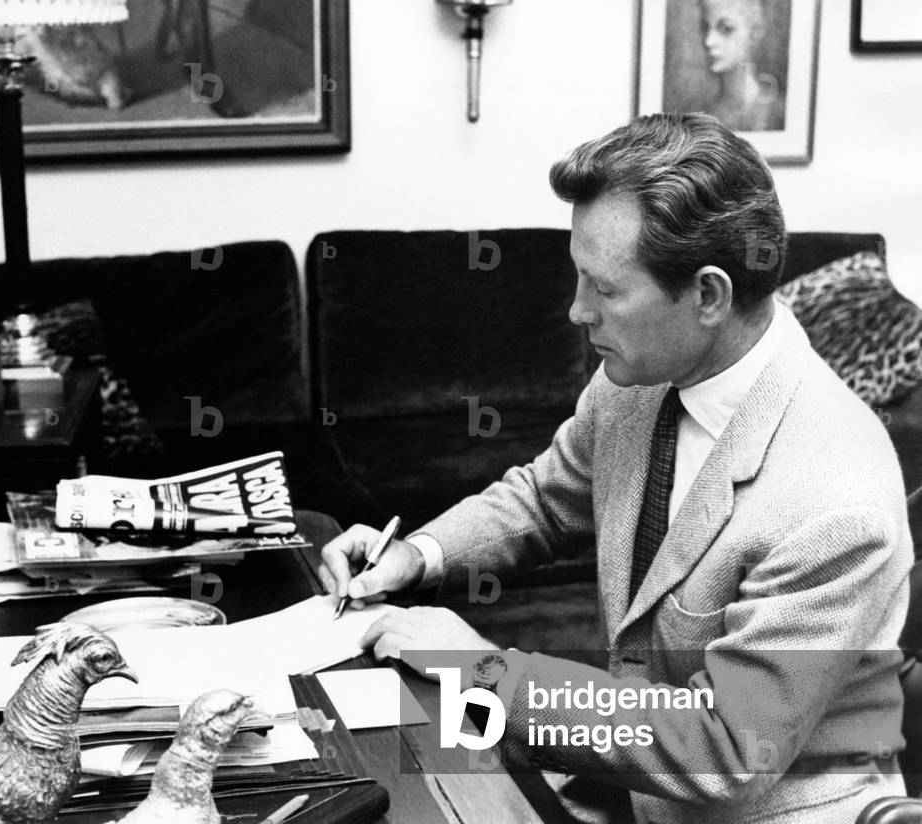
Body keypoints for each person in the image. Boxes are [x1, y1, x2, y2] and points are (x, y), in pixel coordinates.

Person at [320, 113, 913, 823]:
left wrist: (478, 670)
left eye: (604, 290)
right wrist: (414, 556)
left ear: (707, 296)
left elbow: (725, 750)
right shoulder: (636, 377)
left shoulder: (833, 500)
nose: (576, 312)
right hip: (632, 785)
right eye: (578, 279)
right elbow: (546, 499)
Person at [698, 0, 785, 131]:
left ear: (754, 34)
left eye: (726, 29)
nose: (709, 41)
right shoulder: (703, 116)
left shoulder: (778, 112)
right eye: (705, 27)